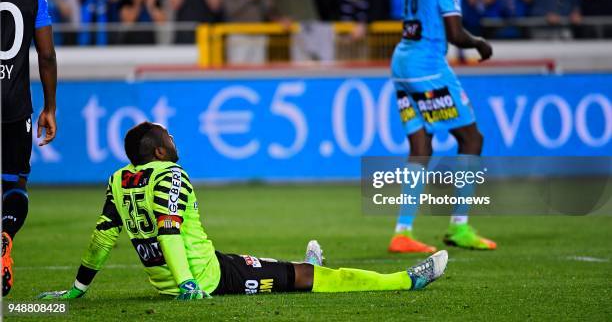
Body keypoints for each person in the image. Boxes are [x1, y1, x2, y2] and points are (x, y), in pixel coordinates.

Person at [38, 122, 448, 300]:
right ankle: (404, 281)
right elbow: (168, 230)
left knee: (274, 267)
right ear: (160, 151)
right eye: (169, 137)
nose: (174, 140)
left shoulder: (118, 180)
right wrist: (187, 284)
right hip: (208, 277)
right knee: (308, 279)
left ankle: (299, 264)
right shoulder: (170, 174)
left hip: (187, 274)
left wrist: (78, 288)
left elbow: (103, 237)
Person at [388, 0, 497, 253]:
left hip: (402, 63)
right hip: (427, 67)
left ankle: (402, 233)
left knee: (420, 147)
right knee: (471, 138)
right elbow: (454, 32)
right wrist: (478, 43)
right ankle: (459, 227)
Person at [1, 0, 58, 296]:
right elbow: (47, 55)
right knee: (14, 183)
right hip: (14, 109)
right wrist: (50, 107)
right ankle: (4, 236)